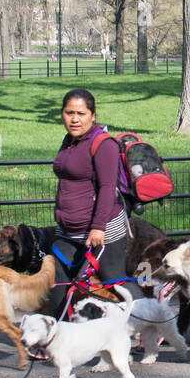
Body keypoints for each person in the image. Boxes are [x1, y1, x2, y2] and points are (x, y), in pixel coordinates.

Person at [49, 88, 129, 318]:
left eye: (81, 113)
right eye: (69, 112)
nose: (74, 119)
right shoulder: (70, 141)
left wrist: (98, 226)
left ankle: (152, 324)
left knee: (116, 283)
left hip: (101, 230)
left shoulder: (104, 144)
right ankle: (55, 336)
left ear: (93, 115)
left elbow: (106, 189)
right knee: (58, 281)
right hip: (68, 230)